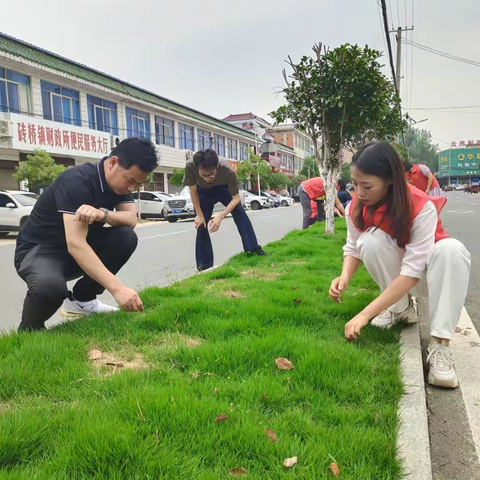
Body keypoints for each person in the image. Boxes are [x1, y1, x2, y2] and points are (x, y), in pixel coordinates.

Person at [329, 141, 470, 388]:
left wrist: (364, 314)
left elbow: (413, 271)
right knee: (369, 241)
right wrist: (344, 277)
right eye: (355, 184)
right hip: (401, 275)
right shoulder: (356, 206)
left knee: (452, 250)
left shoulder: (420, 205)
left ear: (390, 180)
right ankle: (400, 309)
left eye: (367, 186)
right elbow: (352, 247)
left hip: (430, 276)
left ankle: (440, 346)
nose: (359, 192)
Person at [15, 138, 158, 331]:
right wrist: (118, 289)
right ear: (113, 162)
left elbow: (131, 219)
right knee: (51, 289)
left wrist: (102, 214)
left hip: (73, 250)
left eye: (138, 184)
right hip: (39, 251)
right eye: (131, 180)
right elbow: (76, 244)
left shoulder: (120, 184)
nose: (132, 188)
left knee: (126, 237)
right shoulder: (78, 181)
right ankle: (29, 331)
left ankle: (83, 301)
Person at [183, 149, 269, 271]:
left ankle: (253, 249)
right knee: (201, 225)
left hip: (222, 189)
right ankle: (204, 267)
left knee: (239, 212)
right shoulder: (190, 166)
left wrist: (220, 216)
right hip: (203, 192)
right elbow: (193, 190)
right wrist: (199, 215)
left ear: (217, 167)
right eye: (203, 175)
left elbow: (236, 198)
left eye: (212, 174)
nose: (208, 178)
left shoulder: (228, 170)